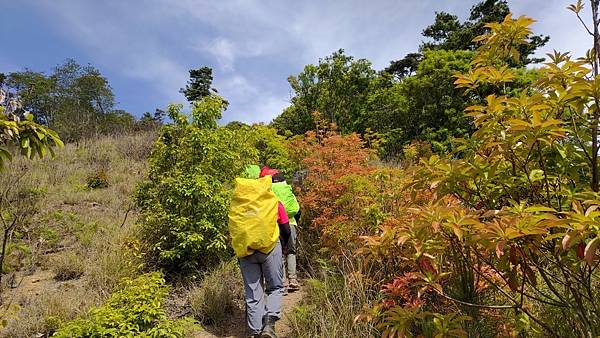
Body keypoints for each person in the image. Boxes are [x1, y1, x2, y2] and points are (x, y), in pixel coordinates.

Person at [229, 173, 291, 338]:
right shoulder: (272, 201)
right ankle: (269, 324)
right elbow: (286, 228)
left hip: (246, 251)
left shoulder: (238, 205)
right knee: (276, 287)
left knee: (253, 293)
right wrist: (283, 246)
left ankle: (255, 332)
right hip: (270, 247)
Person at [259, 166, 301, 292]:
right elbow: (297, 209)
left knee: (279, 254)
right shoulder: (287, 189)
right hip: (291, 223)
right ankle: (293, 279)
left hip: (275, 225)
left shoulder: (268, 190)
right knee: (291, 252)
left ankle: (281, 283)